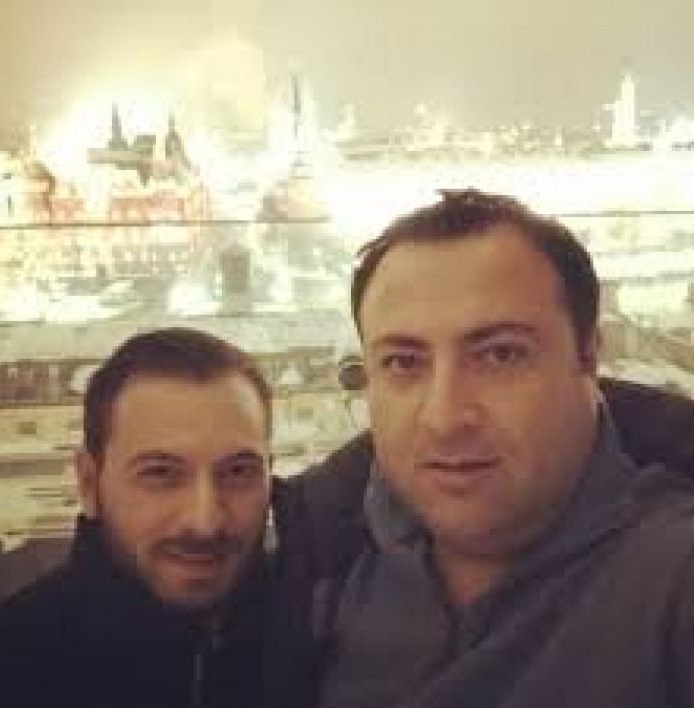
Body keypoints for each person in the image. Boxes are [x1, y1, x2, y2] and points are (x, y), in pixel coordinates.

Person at [282, 189, 694, 708]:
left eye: (500, 355)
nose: (445, 418)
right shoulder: (310, 563)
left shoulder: (671, 582)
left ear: (588, 358)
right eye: (404, 363)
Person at [0, 327, 275, 708]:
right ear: (90, 484)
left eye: (238, 472)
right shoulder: (5, 667)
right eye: (160, 473)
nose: (205, 522)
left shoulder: (320, 639)